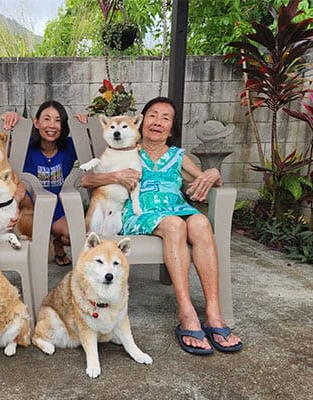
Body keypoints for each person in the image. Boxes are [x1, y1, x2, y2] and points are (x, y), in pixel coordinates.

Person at [80, 97, 243, 355]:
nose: (158, 121)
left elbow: (204, 181)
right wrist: (115, 176)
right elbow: (86, 180)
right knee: (175, 226)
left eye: (166, 117)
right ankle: (187, 312)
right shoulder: (127, 150)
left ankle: (213, 312)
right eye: (153, 115)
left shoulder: (178, 156)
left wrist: (213, 174)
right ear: (141, 123)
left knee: (200, 223)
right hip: (142, 214)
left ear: (171, 127)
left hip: (178, 208)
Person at [1, 101, 86, 266]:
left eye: (58, 120)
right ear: (36, 122)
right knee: (35, 253)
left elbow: (96, 146)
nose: (52, 125)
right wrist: (8, 118)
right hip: (29, 209)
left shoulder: (69, 146)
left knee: (73, 235)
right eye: (46, 119)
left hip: (58, 209)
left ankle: (58, 242)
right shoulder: (23, 147)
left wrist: (84, 125)